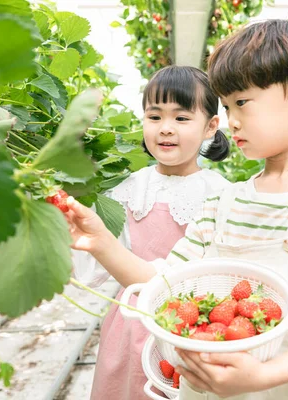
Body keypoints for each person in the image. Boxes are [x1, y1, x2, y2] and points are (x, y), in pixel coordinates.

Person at [67, 19, 288, 400]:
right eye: (227, 106)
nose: (233, 120)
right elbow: (164, 284)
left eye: (242, 102)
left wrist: (262, 376)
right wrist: (99, 242)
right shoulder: (223, 203)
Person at [70, 65, 231, 400]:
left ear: (210, 127)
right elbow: (100, 261)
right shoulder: (129, 188)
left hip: (189, 326)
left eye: (182, 118)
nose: (166, 129)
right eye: (154, 117)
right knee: (126, 385)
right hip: (131, 320)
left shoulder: (219, 193)